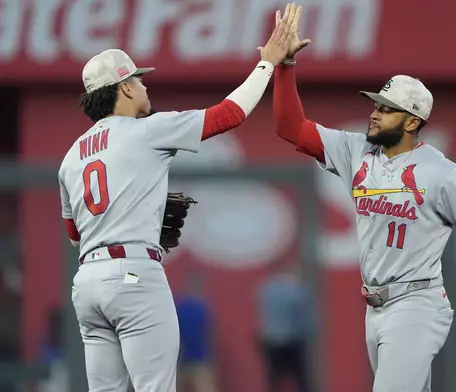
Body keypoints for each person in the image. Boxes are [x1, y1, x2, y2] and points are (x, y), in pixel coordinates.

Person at [269, 6, 456, 391]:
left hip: (417, 305)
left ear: (412, 121)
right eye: (375, 105)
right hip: (375, 309)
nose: (374, 114)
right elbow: (289, 126)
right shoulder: (355, 151)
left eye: (386, 109)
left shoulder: (442, 173)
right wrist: (286, 64)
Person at [57, 4, 299, 391]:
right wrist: (268, 64)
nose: (144, 85)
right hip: (134, 274)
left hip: (87, 284)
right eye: (139, 80)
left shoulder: (71, 156)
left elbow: (74, 235)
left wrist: (130, 215)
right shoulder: (147, 130)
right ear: (125, 87)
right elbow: (229, 114)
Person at [257, 262, 314, 392]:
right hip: (294, 342)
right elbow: (306, 318)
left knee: (274, 380)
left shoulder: (266, 290)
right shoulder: (298, 290)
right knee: (301, 380)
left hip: (272, 342)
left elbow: (264, 315)